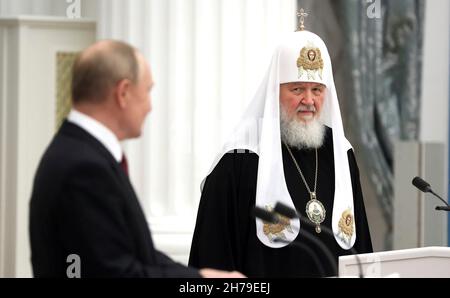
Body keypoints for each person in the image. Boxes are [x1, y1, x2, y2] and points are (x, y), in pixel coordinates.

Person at [29, 40, 244, 278]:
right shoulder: (83, 167)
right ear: (123, 93)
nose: (150, 106)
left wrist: (205, 276)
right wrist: (200, 281)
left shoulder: (81, 151)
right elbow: (114, 271)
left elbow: (135, 253)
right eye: (148, 91)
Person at [189, 23, 373, 277]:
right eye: (297, 89)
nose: (309, 101)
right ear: (275, 91)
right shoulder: (239, 160)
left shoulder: (341, 153)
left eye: (317, 90)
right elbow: (215, 254)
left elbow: (360, 244)